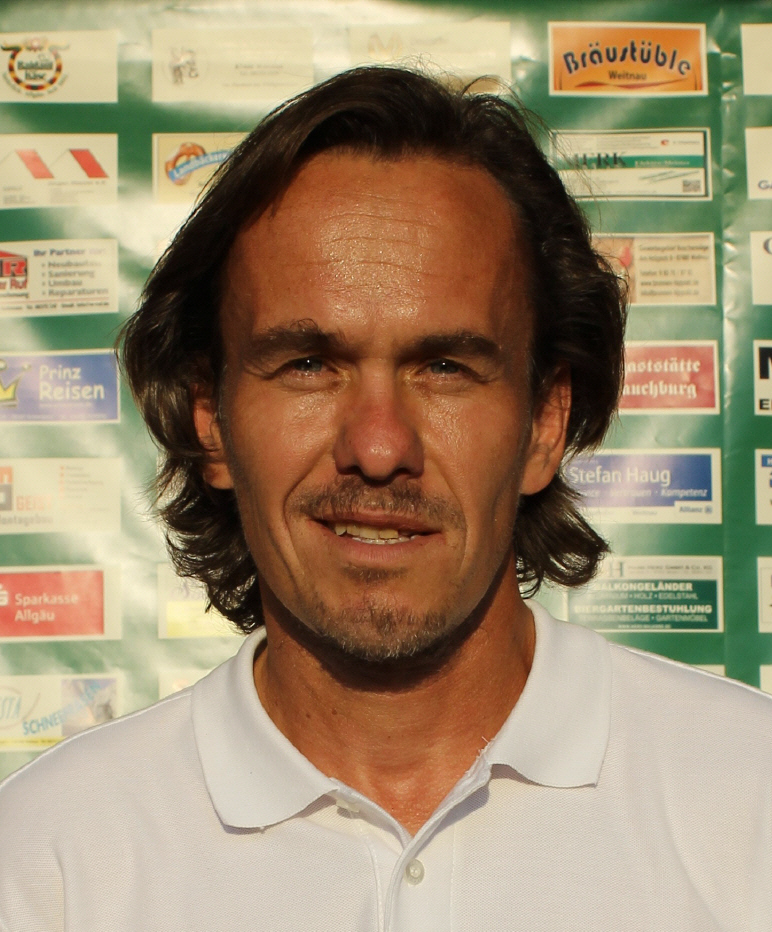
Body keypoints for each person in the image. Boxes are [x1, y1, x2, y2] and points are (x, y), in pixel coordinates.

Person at [0, 66, 770, 931]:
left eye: (445, 367)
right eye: (308, 365)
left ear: (545, 423)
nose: (377, 448)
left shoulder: (752, 804)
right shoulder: (48, 861)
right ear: (209, 417)